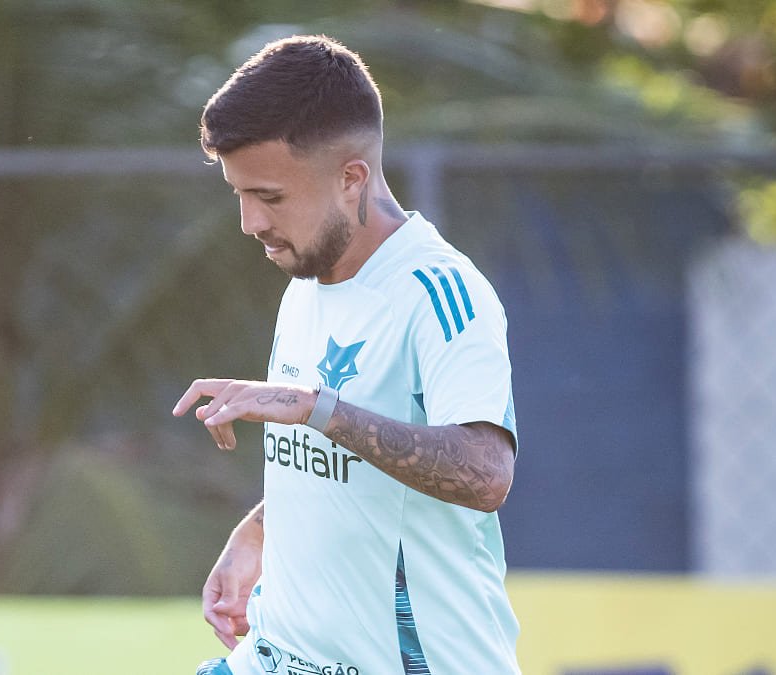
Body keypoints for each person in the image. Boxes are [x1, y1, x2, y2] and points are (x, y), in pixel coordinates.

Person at [171, 35, 520, 675]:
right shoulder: (305, 284)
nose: (250, 221)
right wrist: (259, 530)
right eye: (239, 194)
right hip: (282, 656)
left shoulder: (442, 293)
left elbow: (485, 472)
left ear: (351, 178)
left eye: (270, 196)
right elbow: (350, 468)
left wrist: (316, 407)